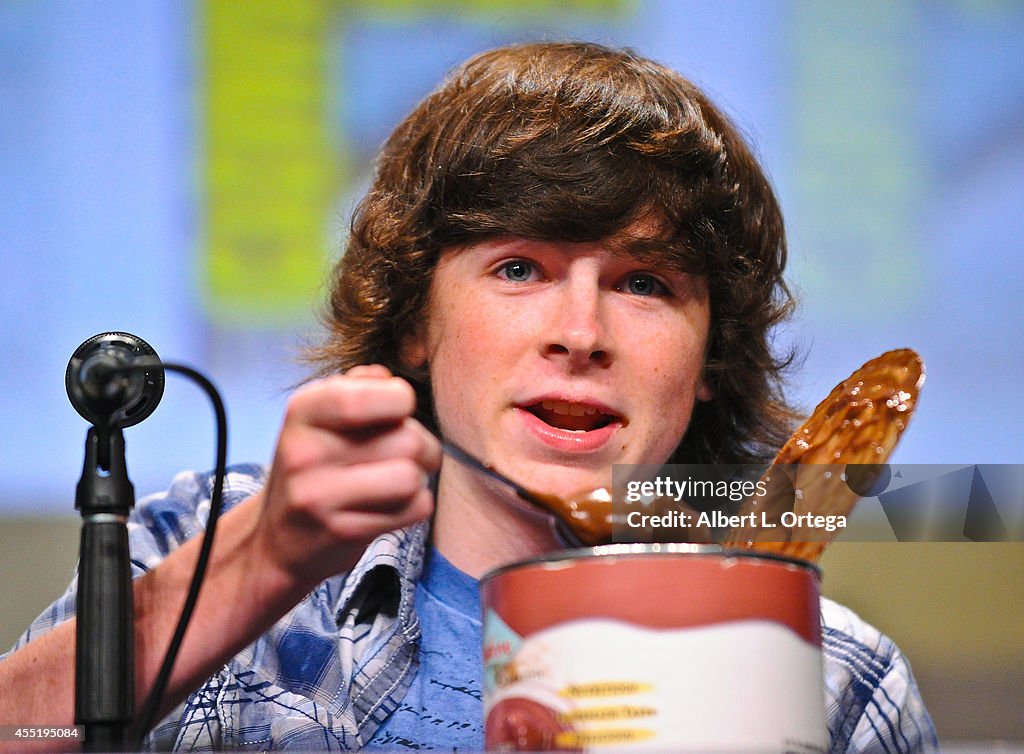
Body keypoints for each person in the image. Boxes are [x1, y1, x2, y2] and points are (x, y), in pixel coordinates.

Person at [0, 41, 937, 752]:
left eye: (645, 282)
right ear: (416, 324)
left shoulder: (841, 679)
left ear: (710, 361)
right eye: (520, 267)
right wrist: (259, 563)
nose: (582, 331)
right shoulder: (202, 545)